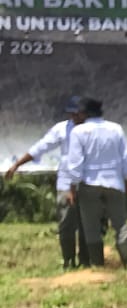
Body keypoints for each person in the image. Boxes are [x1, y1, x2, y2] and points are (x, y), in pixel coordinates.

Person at [4, 94, 89, 268]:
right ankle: (69, 260)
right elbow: (40, 147)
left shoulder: (96, 129)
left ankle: (87, 261)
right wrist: (16, 165)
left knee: (89, 223)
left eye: (78, 113)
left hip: (90, 182)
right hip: (66, 182)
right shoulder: (62, 129)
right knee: (66, 223)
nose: (74, 117)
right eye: (71, 113)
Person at [59, 98, 127, 268]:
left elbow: (75, 164)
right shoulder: (116, 129)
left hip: (89, 185)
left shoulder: (79, 132)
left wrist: (72, 188)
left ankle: (98, 265)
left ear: (84, 114)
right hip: (115, 183)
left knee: (91, 227)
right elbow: (125, 158)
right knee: (120, 224)